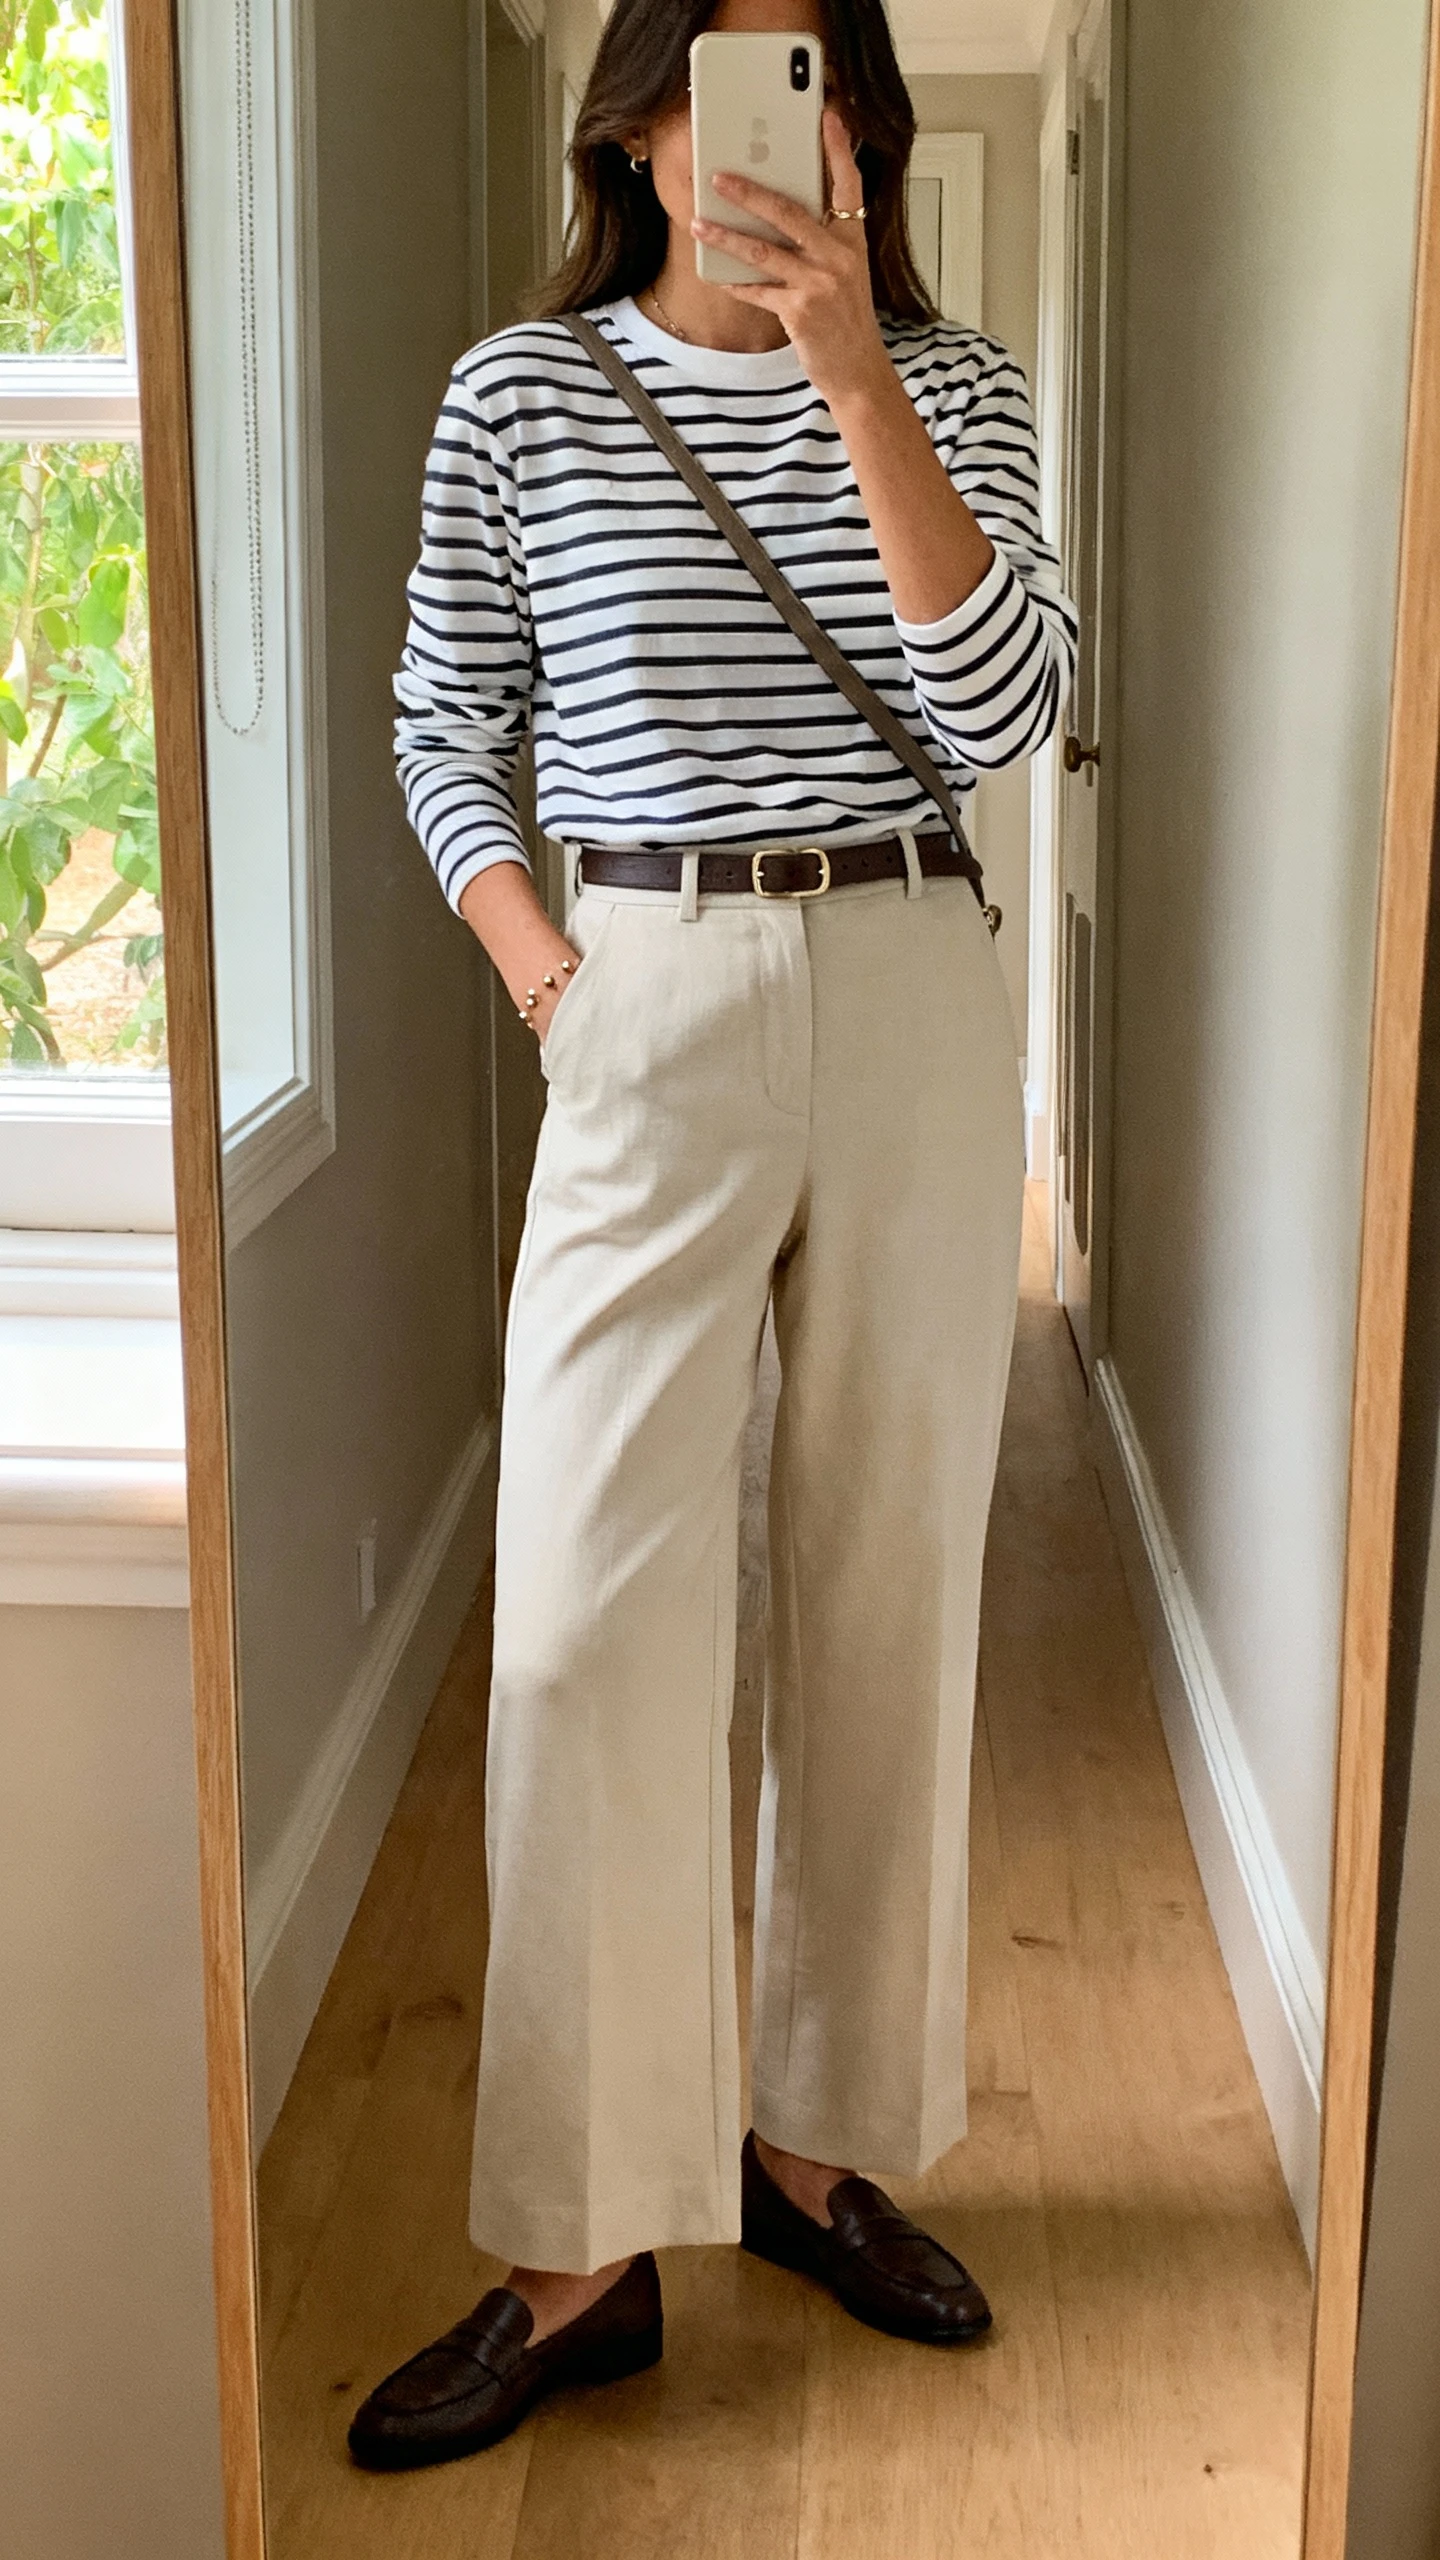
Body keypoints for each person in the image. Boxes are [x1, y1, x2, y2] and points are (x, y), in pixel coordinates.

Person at [348, 0, 1075, 2471]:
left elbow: (1006, 700)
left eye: (815, 84)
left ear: (859, 136)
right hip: (640, 984)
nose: (764, 130)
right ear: (631, 122)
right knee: (574, 1617)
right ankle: (577, 2249)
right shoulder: (518, 402)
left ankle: (815, 2140)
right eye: (714, 77)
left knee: (885, 1574)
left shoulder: (955, 387)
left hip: (902, 980)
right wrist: (546, 965)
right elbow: (452, 717)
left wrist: (858, 359)